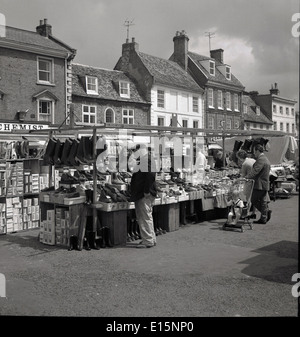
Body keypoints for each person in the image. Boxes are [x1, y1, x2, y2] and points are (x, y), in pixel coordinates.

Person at [130, 144, 157, 248]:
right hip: (144, 193)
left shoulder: (146, 159)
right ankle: (150, 238)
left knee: (144, 217)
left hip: (143, 193)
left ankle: (148, 240)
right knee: (147, 216)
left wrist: (146, 191)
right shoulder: (146, 159)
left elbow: (150, 175)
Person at [245, 144, 271, 224]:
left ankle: (265, 213)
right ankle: (263, 217)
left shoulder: (261, 159)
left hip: (259, 184)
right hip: (265, 183)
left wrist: (247, 177)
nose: (254, 153)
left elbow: (255, 171)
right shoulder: (265, 158)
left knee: (253, 199)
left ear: (257, 151)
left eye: (254, 151)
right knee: (263, 201)